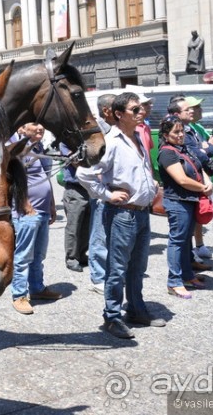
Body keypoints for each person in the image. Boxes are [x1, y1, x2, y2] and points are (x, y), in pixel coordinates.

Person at [78, 92, 164, 339]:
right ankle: (112, 316)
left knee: (137, 267)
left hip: (141, 213)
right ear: (118, 114)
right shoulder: (112, 141)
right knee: (117, 269)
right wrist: (106, 195)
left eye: (141, 108)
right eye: (135, 110)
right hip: (122, 214)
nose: (142, 113)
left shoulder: (137, 136)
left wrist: (151, 184)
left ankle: (136, 310)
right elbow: (85, 174)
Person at [157, 116, 213, 300]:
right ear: (166, 135)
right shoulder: (166, 153)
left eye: (181, 131)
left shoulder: (183, 148)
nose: (181, 135)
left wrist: (208, 181)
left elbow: (198, 167)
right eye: (176, 132)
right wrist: (203, 188)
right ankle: (174, 282)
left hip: (189, 200)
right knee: (177, 242)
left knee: (185, 242)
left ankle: (187, 276)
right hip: (177, 201)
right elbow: (181, 179)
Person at [8, 123, 62, 315]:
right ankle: (19, 295)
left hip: (43, 209)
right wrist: (24, 203)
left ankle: (37, 288)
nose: (40, 128)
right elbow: (8, 179)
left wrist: (52, 204)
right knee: (23, 256)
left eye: (42, 125)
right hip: (26, 212)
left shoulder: (39, 147)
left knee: (39, 254)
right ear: (22, 128)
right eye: (34, 124)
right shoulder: (13, 147)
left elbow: (45, 177)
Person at [184, 95, 213, 259]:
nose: (201, 110)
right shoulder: (185, 129)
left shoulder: (196, 127)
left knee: (199, 213)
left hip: (202, 174)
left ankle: (199, 246)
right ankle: (191, 252)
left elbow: (210, 148)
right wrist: (209, 148)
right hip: (193, 177)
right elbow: (200, 152)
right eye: (197, 107)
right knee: (191, 215)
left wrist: (208, 148)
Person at [87, 94, 116, 294]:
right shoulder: (98, 131)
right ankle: (98, 276)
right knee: (99, 234)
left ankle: (108, 271)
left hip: (116, 193)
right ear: (107, 110)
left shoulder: (116, 130)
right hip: (103, 193)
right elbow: (87, 168)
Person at [59, 142, 90, 272]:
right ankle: (71, 258)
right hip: (75, 188)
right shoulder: (65, 143)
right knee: (74, 225)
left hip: (89, 188)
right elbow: (75, 161)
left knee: (86, 226)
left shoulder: (88, 140)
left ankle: (82, 254)